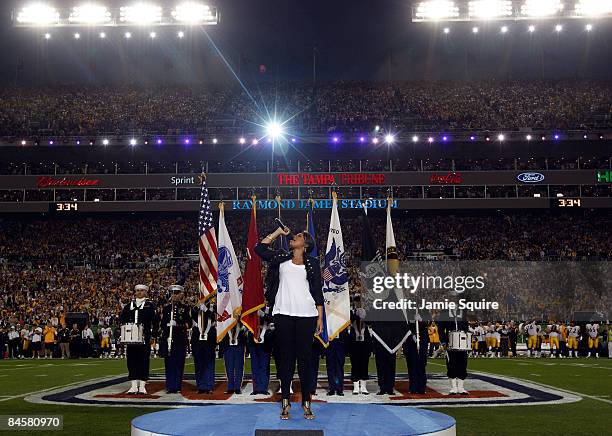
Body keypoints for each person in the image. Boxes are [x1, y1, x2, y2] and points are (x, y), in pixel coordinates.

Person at [255, 225, 324, 420]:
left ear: (306, 244)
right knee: (285, 360)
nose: (294, 236)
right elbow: (259, 249)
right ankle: (285, 402)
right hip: (283, 314)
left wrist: (319, 317)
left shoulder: (313, 263)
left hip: (307, 315)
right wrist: (277, 233)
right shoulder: (282, 258)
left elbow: (317, 291)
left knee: (304, 361)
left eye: (299, 236)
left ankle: (306, 403)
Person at [119, 284, 158, 394]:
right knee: (131, 361)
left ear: (146, 292)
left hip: (144, 337)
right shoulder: (128, 306)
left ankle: (142, 386)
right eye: (137, 290)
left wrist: (153, 335)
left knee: (144, 360)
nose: (139, 292)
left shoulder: (150, 306)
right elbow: (122, 320)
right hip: (131, 338)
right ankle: (133, 386)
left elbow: (155, 322)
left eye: (142, 290)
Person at [160, 285, 190, 394]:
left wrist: (178, 325)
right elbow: (162, 324)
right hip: (169, 339)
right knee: (169, 363)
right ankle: (170, 386)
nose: (174, 295)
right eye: (173, 293)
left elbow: (189, 324)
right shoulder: (166, 308)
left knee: (179, 363)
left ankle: (177, 386)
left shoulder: (185, 308)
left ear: (181, 294)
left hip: (180, 339)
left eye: (177, 293)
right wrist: (167, 325)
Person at [191, 299, 217, 394]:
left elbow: (215, 318)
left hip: (209, 338)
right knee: (199, 363)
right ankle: (201, 385)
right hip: (197, 339)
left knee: (209, 363)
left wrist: (206, 310)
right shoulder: (195, 308)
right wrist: (198, 308)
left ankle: (209, 385)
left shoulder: (214, 307)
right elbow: (192, 317)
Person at [248, 307, 273, 396]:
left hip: (266, 339)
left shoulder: (269, 307)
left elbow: (273, 319)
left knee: (264, 365)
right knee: (254, 365)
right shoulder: (252, 307)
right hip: (253, 339)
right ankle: (256, 388)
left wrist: (264, 315)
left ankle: (263, 388)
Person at [348, 303, 371, 395]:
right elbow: (350, 320)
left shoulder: (366, 313)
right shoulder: (352, 314)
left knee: (364, 364)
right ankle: (356, 386)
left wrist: (364, 315)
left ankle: (364, 386)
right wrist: (356, 314)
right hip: (354, 344)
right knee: (355, 365)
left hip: (365, 344)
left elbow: (370, 322)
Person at [221, 323, 246, 394]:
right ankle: (230, 387)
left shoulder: (240, 314)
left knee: (239, 367)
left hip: (240, 342)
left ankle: (238, 387)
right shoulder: (226, 313)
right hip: (227, 343)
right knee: (229, 367)